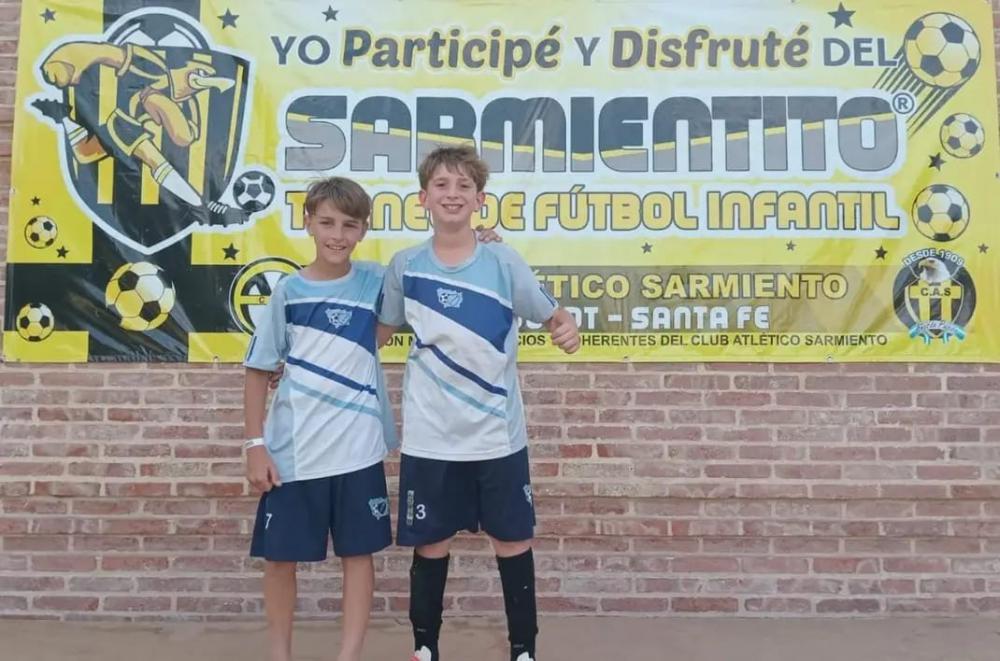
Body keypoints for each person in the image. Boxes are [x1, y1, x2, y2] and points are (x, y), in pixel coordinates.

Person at [377, 146, 581, 661]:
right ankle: (425, 647)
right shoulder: (405, 266)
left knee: (512, 542)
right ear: (423, 197)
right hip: (430, 436)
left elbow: (554, 315)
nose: (453, 194)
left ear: (479, 200)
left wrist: (568, 327)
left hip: (497, 436)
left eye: (464, 186)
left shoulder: (503, 260)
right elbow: (377, 334)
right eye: (442, 185)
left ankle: (523, 650)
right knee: (431, 545)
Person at [243, 176, 396, 661]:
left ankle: (348, 656)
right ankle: (280, 654)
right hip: (294, 454)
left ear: (363, 230)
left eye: (349, 225)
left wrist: (483, 243)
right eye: (327, 222)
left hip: (358, 451)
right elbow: (258, 369)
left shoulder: (377, 281)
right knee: (279, 559)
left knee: (358, 555)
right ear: (308, 222)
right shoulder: (288, 292)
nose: (337, 234)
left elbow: (434, 274)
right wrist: (255, 446)